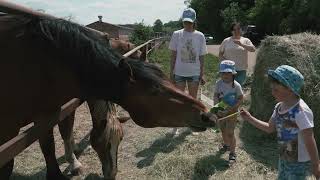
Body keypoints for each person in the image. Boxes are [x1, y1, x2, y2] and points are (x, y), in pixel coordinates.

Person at [240, 65, 320, 179]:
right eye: (272, 89)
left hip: (299, 162)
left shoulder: (300, 111)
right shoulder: (279, 107)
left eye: (276, 90)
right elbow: (269, 128)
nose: (272, 93)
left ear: (290, 89)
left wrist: (316, 164)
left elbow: (309, 140)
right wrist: (249, 118)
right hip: (284, 156)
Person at [169, 8, 207, 136]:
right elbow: (173, 55)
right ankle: (176, 126)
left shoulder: (200, 36)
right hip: (179, 72)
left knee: (192, 101)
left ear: (194, 21)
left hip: (194, 73)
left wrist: (202, 73)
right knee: (179, 100)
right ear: (182, 20)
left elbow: (202, 56)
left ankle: (192, 125)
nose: (187, 24)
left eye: (190, 22)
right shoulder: (176, 34)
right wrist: (171, 71)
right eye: (185, 21)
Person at [213, 60, 243, 163]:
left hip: (232, 112)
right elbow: (216, 95)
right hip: (221, 111)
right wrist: (217, 108)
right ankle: (226, 145)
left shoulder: (236, 86)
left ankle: (232, 152)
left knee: (230, 132)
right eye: (223, 73)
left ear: (233, 73)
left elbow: (240, 98)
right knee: (223, 130)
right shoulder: (218, 83)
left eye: (228, 73)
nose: (225, 75)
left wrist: (232, 108)